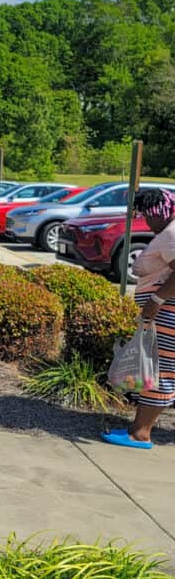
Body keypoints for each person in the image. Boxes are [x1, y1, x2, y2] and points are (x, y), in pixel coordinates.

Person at [101, 188, 175, 449]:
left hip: (167, 315)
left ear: (160, 211)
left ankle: (140, 433)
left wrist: (155, 302)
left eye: (148, 214)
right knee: (161, 369)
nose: (146, 220)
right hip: (164, 312)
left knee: (159, 371)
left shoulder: (171, 234)